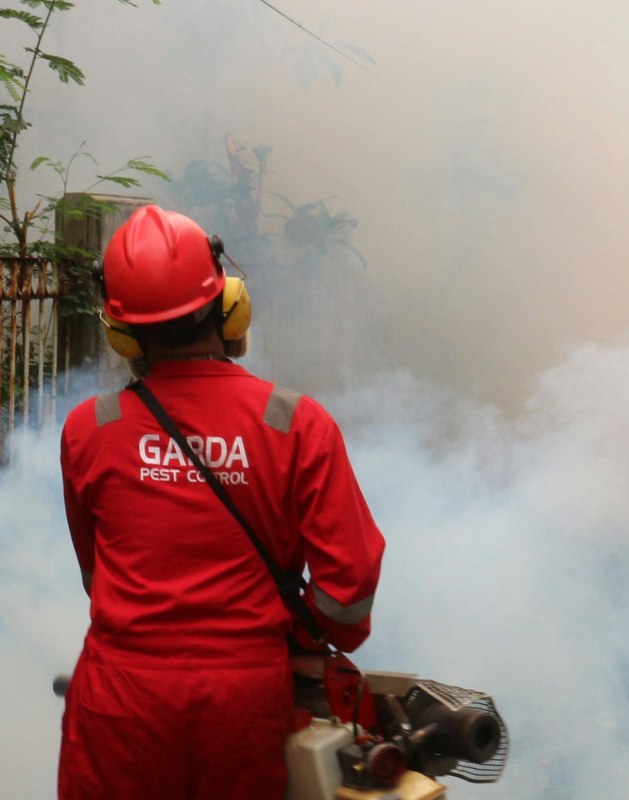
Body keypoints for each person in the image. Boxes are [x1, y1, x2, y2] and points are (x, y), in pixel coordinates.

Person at [57, 205, 387, 799]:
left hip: (119, 700)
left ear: (121, 329)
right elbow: (351, 587)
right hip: (242, 702)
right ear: (230, 305)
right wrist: (300, 632)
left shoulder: (90, 428)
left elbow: (94, 572)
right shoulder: (294, 423)